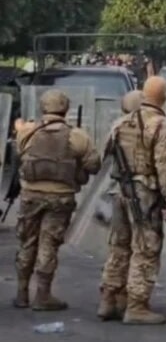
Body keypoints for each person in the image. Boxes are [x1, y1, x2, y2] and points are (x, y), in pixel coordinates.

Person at [98, 76, 166, 325]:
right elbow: (164, 166)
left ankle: (109, 299)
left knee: (119, 246)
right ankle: (137, 305)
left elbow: (104, 155)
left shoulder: (121, 123)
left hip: (120, 190)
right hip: (146, 193)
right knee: (145, 248)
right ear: (164, 96)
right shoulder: (161, 125)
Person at [13, 89, 101, 310]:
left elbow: (20, 153)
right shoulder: (77, 136)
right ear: (66, 108)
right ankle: (42, 296)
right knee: (48, 245)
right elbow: (94, 165)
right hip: (60, 199)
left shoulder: (28, 132)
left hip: (30, 196)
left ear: (43, 108)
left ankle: (22, 293)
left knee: (27, 242)